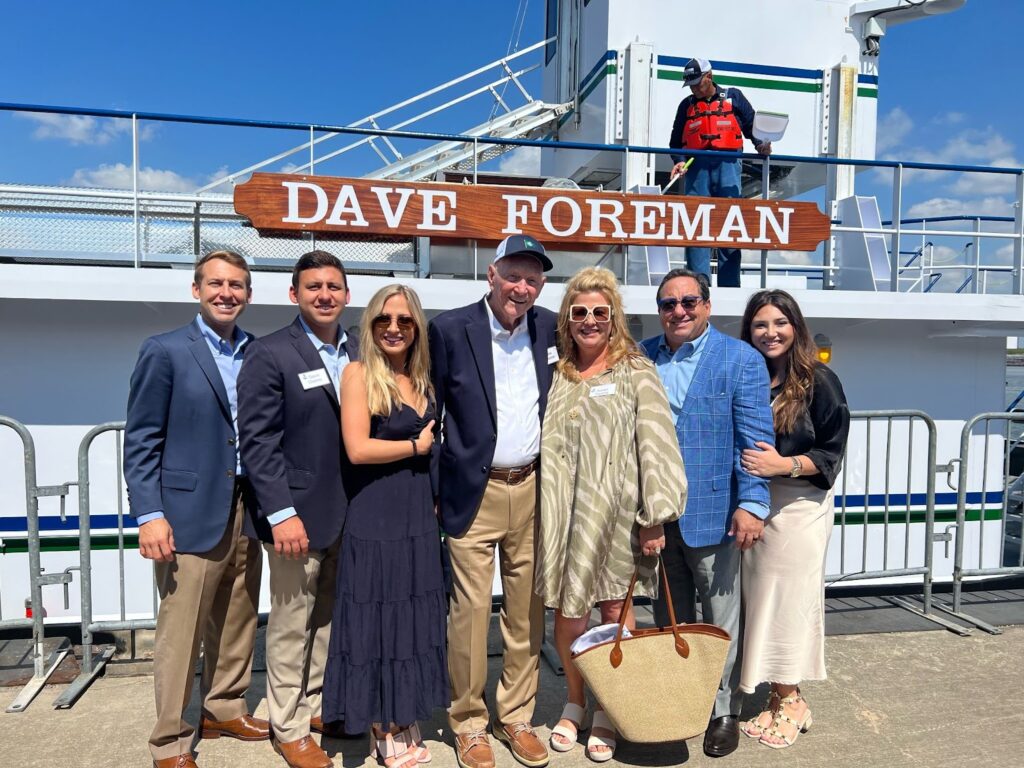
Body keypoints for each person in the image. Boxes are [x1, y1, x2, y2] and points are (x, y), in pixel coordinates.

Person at [124, 250, 269, 768]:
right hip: (186, 514)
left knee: (238, 619)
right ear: (196, 290)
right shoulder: (164, 351)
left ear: (249, 295)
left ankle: (224, 707)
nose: (226, 293)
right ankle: (170, 740)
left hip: (247, 509)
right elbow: (141, 439)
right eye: (216, 283)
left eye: (236, 285)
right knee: (181, 633)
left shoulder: (257, 351)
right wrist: (148, 514)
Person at [537, 267, 687, 762]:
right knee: (568, 614)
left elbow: (658, 446)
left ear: (614, 317)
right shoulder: (557, 373)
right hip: (562, 517)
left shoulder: (636, 371)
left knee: (613, 613)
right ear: (567, 319)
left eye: (600, 312)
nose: (590, 321)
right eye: (579, 312)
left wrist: (656, 515)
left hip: (619, 517)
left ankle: (609, 708)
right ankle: (575, 702)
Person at [429, 234, 557, 768]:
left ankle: (518, 716)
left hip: (531, 487)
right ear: (492, 274)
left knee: (526, 613)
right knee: (470, 613)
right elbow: (430, 411)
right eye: (513, 275)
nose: (521, 288)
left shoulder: (551, 326)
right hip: (472, 492)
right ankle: (469, 723)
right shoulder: (450, 328)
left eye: (532, 278)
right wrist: (436, 490)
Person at [639, 267, 774, 758]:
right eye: (669, 304)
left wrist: (752, 504)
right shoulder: (641, 356)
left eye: (688, 302)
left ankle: (723, 711)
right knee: (668, 618)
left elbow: (755, 439)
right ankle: (679, 704)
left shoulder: (740, 359)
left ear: (707, 306)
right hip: (656, 514)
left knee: (719, 620)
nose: (678, 311)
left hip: (715, 512)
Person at [238, 250, 359, 768]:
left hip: (348, 511)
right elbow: (258, 441)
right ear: (294, 294)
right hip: (296, 516)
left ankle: (312, 705)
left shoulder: (359, 352)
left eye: (334, 286)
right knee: (291, 624)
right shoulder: (270, 353)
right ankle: (287, 727)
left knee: (328, 620)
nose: (325, 295)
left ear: (347, 295)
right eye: (313, 287)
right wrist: (280, 513)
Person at [322, 284, 449, 766]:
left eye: (404, 321)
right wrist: (415, 448)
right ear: (370, 326)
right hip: (375, 513)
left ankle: (403, 710)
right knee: (376, 619)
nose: (393, 329)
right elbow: (357, 448)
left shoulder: (423, 381)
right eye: (383, 320)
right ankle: (380, 721)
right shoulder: (358, 373)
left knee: (413, 618)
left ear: (416, 328)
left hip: (417, 513)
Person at [737, 290, 850, 749]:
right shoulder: (749, 375)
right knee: (761, 603)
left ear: (795, 327)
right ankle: (777, 696)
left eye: (779, 323)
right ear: (749, 331)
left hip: (798, 507)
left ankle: (791, 700)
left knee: (789, 603)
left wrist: (783, 466)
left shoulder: (820, 380)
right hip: (755, 503)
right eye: (760, 325)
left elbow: (831, 452)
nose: (770, 332)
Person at [668, 57, 772, 288]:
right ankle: (698, 288)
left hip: (728, 168)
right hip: (697, 169)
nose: (694, 88)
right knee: (697, 227)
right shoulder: (686, 106)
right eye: (691, 84)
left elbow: (751, 127)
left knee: (731, 228)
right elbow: (676, 142)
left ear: (709, 76)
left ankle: (730, 288)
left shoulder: (734, 97)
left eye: (697, 82)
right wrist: (679, 161)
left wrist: (762, 145)